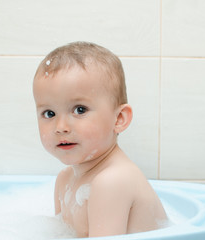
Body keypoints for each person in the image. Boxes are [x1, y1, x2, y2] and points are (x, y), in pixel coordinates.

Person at [32, 42, 167, 238]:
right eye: (49, 113)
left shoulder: (112, 182)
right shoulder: (64, 180)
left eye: (80, 110)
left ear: (119, 119)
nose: (61, 126)